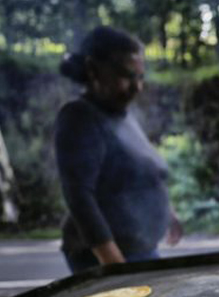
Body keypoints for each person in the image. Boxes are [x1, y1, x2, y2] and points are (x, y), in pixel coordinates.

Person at [55, 26, 182, 273]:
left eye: (140, 77)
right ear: (93, 70)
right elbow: (80, 198)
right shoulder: (80, 117)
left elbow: (142, 171)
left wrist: (167, 212)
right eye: (127, 76)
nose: (137, 87)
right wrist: (114, 266)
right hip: (112, 258)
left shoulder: (119, 114)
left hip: (140, 251)